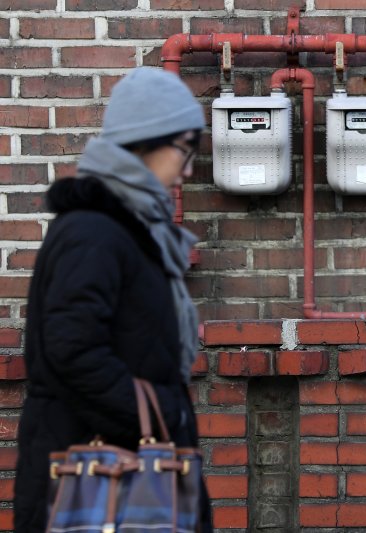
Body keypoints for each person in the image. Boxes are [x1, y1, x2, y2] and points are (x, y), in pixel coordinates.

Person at [13, 67, 212, 532]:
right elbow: (73, 350)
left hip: (122, 475)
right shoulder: (95, 232)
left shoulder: (129, 229)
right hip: (100, 483)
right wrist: (164, 412)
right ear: (145, 141)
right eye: (184, 150)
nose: (187, 170)